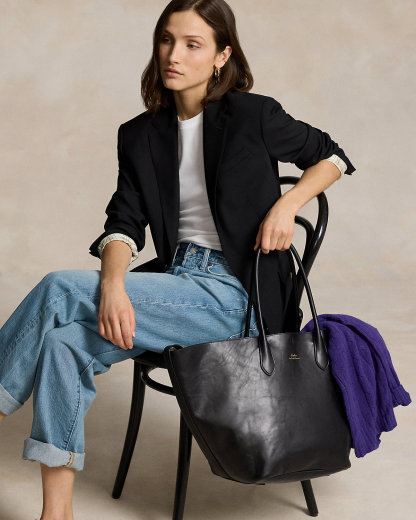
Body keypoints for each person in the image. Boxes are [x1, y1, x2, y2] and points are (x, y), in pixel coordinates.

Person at [0, 0, 356, 518]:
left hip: (238, 298)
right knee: (61, 344)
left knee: (59, 288)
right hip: (174, 286)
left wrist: (288, 203)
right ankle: (57, 513)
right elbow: (122, 224)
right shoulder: (140, 135)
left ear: (221, 55)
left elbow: (333, 156)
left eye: (193, 44)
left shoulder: (253, 115)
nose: (174, 55)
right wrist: (113, 287)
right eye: (167, 40)